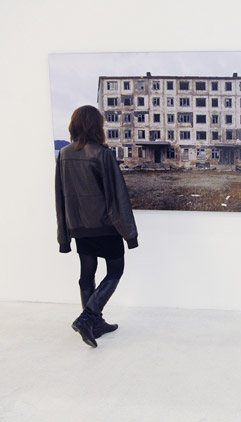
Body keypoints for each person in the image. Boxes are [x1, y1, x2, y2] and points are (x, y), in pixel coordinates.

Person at [55, 105, 138, 348]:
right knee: (115, 271)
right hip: (105, 225)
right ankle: (88, 318)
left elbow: (59, 197)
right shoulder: (102, 154)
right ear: (96, 126)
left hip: (80, 227)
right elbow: (118, 197)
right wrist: (129, 235)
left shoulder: (64, 154)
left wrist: (64, 236)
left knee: (87, 275)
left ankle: (96, 323)